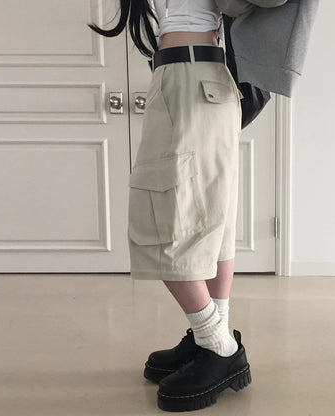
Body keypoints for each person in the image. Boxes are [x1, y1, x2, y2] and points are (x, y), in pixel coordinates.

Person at [88, 0, 250, 411]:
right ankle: (211, 340)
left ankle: (219, 345)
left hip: (191, 76)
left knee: (163, 221)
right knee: (210, 218)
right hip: (191, 75)